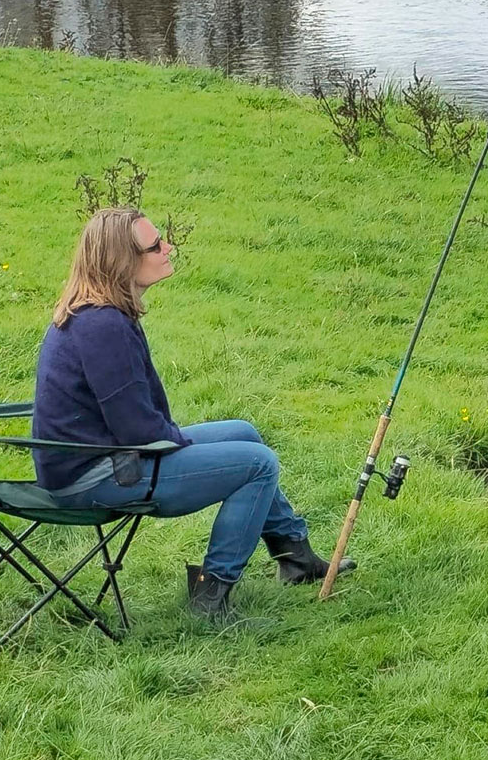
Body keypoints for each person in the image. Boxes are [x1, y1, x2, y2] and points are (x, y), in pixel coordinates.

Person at [33, 207, 352, 617]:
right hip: (94, 476)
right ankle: (211, 597)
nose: (168, 248)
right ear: (121, 260)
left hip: (97, 457)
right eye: (155, 245)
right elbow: (138, 429)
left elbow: (135, 419)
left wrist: (174, 437)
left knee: (244, 433)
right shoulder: (103, 326)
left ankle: (297, 559)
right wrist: (180, 443)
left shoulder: (95, 309)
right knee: (258, 463)